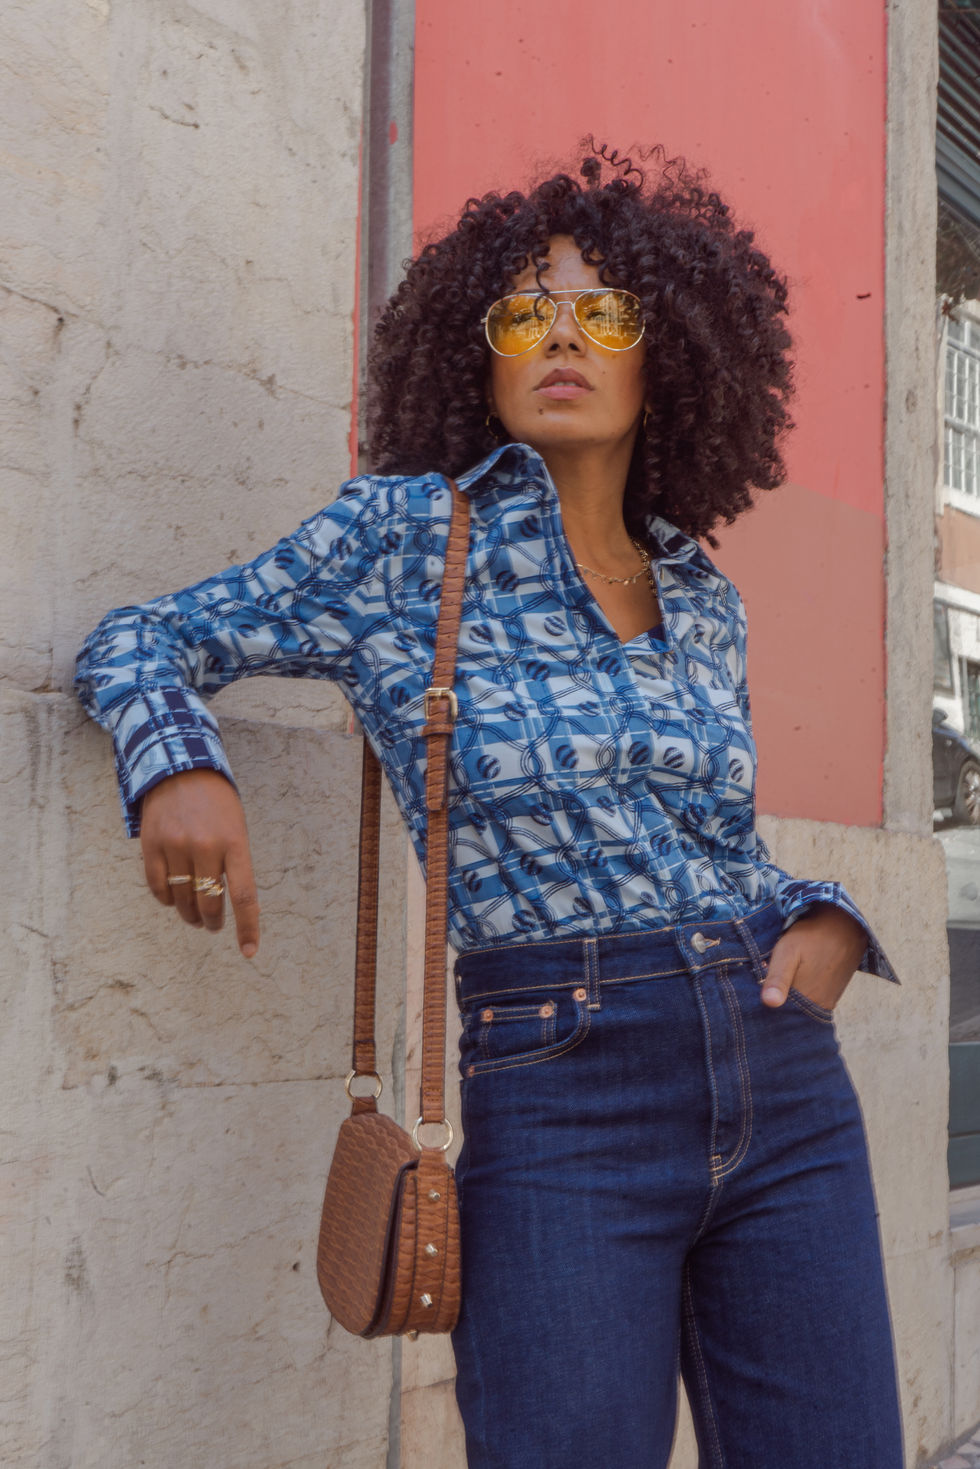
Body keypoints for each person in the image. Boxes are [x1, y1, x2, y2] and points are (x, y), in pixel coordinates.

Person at [75, 143, 905, 1468]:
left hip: (783, 1071)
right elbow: (141, 638)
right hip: (562, 1085)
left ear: (669, 354)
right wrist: (180, 765)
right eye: (524, 314)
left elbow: (718, 843)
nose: (561, 337)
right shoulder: (405, 538)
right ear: (478, 352)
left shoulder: (701, 592)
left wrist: (828, 917)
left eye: (603, 312)